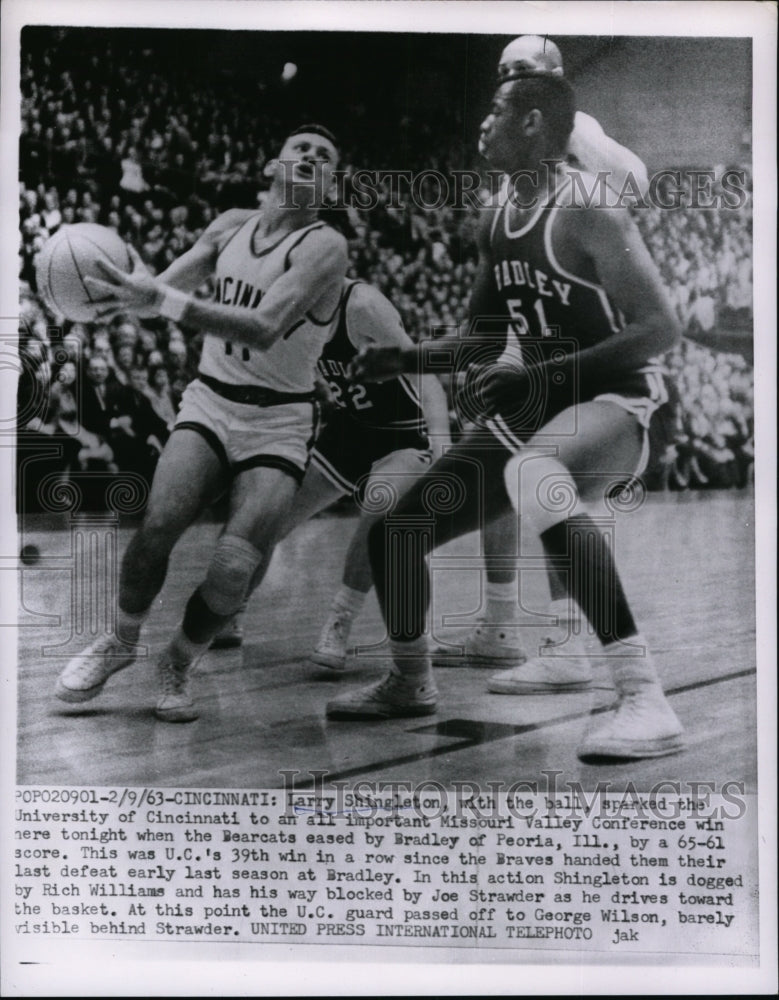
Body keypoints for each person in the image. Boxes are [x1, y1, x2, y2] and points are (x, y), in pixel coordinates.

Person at [326, 74, 684, 761]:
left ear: (532, 124)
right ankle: (408, 681)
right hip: (541, 401)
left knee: (536, 473)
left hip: (623, 396)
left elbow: (660, 328)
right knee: (398, 530)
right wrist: (403, 359)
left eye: (495, 110)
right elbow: (486, 337)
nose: (481, 123)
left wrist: (541, 374)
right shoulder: (495, 216)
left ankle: (645, 700)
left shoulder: (588, 208)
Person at [55, 125, 348, 722]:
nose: (312, 159)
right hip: (211, 401)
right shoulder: (227, 226)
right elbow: (160, 290)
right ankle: (120, 640)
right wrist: (109, 295)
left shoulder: (326, 246)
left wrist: (158, 300)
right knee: (155, 530)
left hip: (280, 421)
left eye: (325, 158)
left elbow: (265, 325)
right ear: (273, 164)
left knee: (234, 565)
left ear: (329, 182)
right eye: (302, 149)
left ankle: (179, 661)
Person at [433, 34, 651, 671]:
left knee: (548, 475)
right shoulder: (509, 141)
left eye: (523, 71)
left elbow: (636, 180)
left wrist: (570, 126)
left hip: (577, 324)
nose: (509, 79)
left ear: (554, 78)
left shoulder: (579, 131)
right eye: (502, 71)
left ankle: (571, 638)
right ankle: (500, 623)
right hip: (520, 315)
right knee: (499, 463)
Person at [210, 278, 451, 665]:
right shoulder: (283, 308)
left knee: (379, 503)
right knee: (270, 513)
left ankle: (340, 620)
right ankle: (228, 613)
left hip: (405, 430)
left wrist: (442, 441)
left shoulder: (363, 306)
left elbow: (423, 372)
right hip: (351, 428)